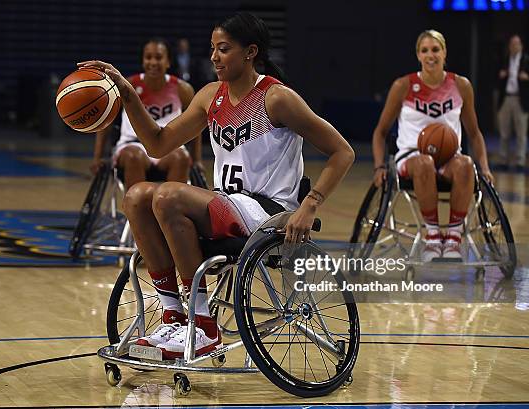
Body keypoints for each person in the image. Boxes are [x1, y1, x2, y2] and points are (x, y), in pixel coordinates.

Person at [79, 12, 354, 359]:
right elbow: (158, 144)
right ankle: (174, 316)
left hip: (267, 212)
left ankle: (205, 327)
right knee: (136, 197)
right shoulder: (211, 96)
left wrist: (309, 205)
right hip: (224, 204)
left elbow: (342, 152)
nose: (213, 57)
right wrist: (127, 93)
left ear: (250, 52)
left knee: (167, 194)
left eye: (223, 49)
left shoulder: (277, 98)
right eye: (212, 49)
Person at [372, 29, 494, 262]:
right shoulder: (403, 85)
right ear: (418, 55)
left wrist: (485, 167)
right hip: (411, 157)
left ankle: (454, 237)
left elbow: (475, 133)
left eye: (435, 49)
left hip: (449, 158)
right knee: (424, 162)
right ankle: (433, 235)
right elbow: (380, 132)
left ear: (444, 52)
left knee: (466, 164)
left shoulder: (461, 85)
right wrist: (379, 167)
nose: (431, 55)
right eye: (425, 50)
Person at [90, 38, 202, 188]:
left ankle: (172, 209)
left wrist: (197, 159)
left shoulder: (183, 89)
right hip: (132, 144)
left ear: (168, 61)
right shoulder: (128, 86)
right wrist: (97, 158)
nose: (153, 62)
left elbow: (196, 125)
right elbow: (106, 123)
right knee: (133, 156)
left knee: (181, 157)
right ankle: (136, 209)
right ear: (143, 61)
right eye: (148, 57)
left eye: (159, 57)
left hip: (169, 146)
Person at [497, 34, 529, 172]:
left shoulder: (527, 61)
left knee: (521, 132)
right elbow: (495, 77)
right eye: (512, 44)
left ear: (521, 46)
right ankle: (503, 159)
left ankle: (520, 161)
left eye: (517, 44)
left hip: (520, 99)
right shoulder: (504, 60)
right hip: (506, 98)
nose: (514, 46)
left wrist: (528, 78)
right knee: (504, 132)